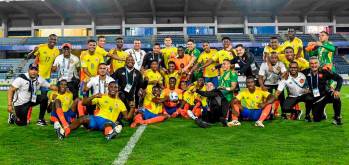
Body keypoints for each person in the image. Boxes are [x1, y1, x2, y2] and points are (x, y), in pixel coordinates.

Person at [55, 81, 134, 141]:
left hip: (108, 122)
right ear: (108, 88)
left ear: (118, 89)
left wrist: (132, 108)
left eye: (115, 87)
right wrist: (94, 96)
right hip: (96, 119)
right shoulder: (101, 97)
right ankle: (64, 132)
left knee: (108, 125)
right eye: (111, 87)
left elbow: (127, 118)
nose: (113, 89)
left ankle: (110, 134)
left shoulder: (120, 103)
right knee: (83, 119)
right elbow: (84, 102)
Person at [27, 34, 59, 126]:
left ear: (56, 41)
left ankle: (40, 119)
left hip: (47, 79)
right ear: (48, 39)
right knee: (31, 97)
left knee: (44, 99)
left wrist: (54, 68)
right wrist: (33, 51)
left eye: (55, 39)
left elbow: (54, 64)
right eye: (51, 39)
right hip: (37, 77)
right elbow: (29, 57)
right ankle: (27, 118)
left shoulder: (56, 51)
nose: (53, 41)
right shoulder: (41, 47)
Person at [303, 57, 343, 124]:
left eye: (315, 63)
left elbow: (339, 79)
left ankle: (337, 118)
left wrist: (337, 90)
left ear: (319, 64)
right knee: (316, 119)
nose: (314, 65)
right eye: (311, 63)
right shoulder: (306, 72)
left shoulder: (325, 71)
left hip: (325, 95)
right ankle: (321, 113)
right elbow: (295, 74)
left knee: (336, 97)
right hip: (316, 99)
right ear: (309, 64)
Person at [258, 52, 287, 117]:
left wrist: (279, 72)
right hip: (267, 83)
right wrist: (262, 86)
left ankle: (284, 113)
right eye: (272, 58)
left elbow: (284, 74)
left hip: (278, 83)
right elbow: (260, 77)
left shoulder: (280, 64)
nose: (274, 59)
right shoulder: (264, 65)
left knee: (282, 98)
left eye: (275, 58)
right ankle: (269, 113)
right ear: (269, 58)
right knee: (268, 98)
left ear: (277, 58)